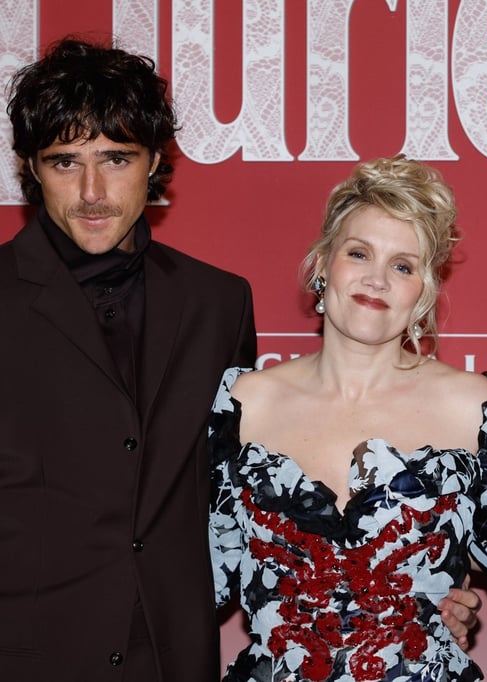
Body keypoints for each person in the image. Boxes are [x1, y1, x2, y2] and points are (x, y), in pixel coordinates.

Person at [207, 155, 487, 681]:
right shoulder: (241, 404)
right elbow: (194, 581)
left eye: (402, 266)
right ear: (320, 266)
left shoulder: (483, 412)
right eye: (359, 253)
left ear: (424, 293)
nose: (376, 279)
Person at [0, 38, 257, 680]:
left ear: (153, 164)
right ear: (31, 168)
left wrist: (419, 591)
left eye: (115, 158)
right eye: (65, 162)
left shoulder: (219, 302)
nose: (92, 191)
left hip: (171, 655)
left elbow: (245, 485)